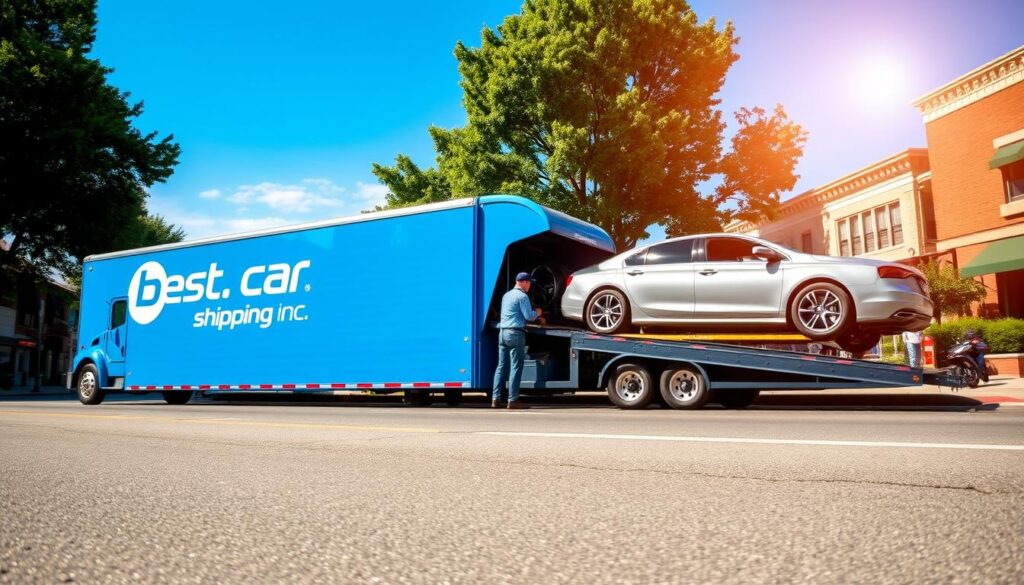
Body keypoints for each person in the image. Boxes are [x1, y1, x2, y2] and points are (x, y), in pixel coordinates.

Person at [492, 272, 543, 409]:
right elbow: (529, 316)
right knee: (516, 366)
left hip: (502, 333)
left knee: (501, 366)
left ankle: (495, 398)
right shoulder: (522, 296)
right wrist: (538, 312)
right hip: (515, 333)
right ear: (524, 282)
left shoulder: (506, 295)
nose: (530, 285)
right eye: (529, 283)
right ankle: (512, 400)